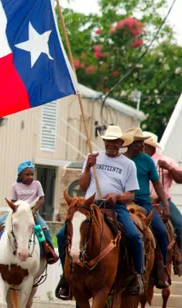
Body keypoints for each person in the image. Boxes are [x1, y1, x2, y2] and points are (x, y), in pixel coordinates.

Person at [55, 125, 143, 299]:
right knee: (61, 234)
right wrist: (88, 167)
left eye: (114, 141)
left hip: (115, 207)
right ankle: (66, 277)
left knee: (134, 236)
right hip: (90, 205)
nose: (110, 144)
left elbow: (131, 195)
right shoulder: (92, 157)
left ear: (121, 143)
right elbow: (82, 186)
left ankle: (136, 275)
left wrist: (117, 197)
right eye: (108, 141)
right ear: (104, 141)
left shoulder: (129, 165)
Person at [0, 161, 58, 264]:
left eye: (32, 174)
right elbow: (14, 202)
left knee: (43, 228)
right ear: (20, 175)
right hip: (18, 213)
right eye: (27, 174)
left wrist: (34, 210)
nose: (30, 177)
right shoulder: (15, 186)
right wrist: (17, 211)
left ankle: (49, 250)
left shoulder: (37, 184)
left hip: (32, 213)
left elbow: (41, 199)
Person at [123, 127, 170, 288]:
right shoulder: (121, 160)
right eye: (139, 143)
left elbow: (157, 184)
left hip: (144, 204)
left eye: (143, 143)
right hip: (123, 203)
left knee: (162, 232)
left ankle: (161, 269)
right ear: (130, 144)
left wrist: (165, 204)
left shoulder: (147, 161)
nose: (143, 146)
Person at [144, 131, 182, 275]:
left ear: (151, 146)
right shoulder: (135, 160)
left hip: (161, 201)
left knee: (179, 224)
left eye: (143, 144)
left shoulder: (165, 160)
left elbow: (180, 178)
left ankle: (179, 257)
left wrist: (170, 168)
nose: (141, 147)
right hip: (140, 201)